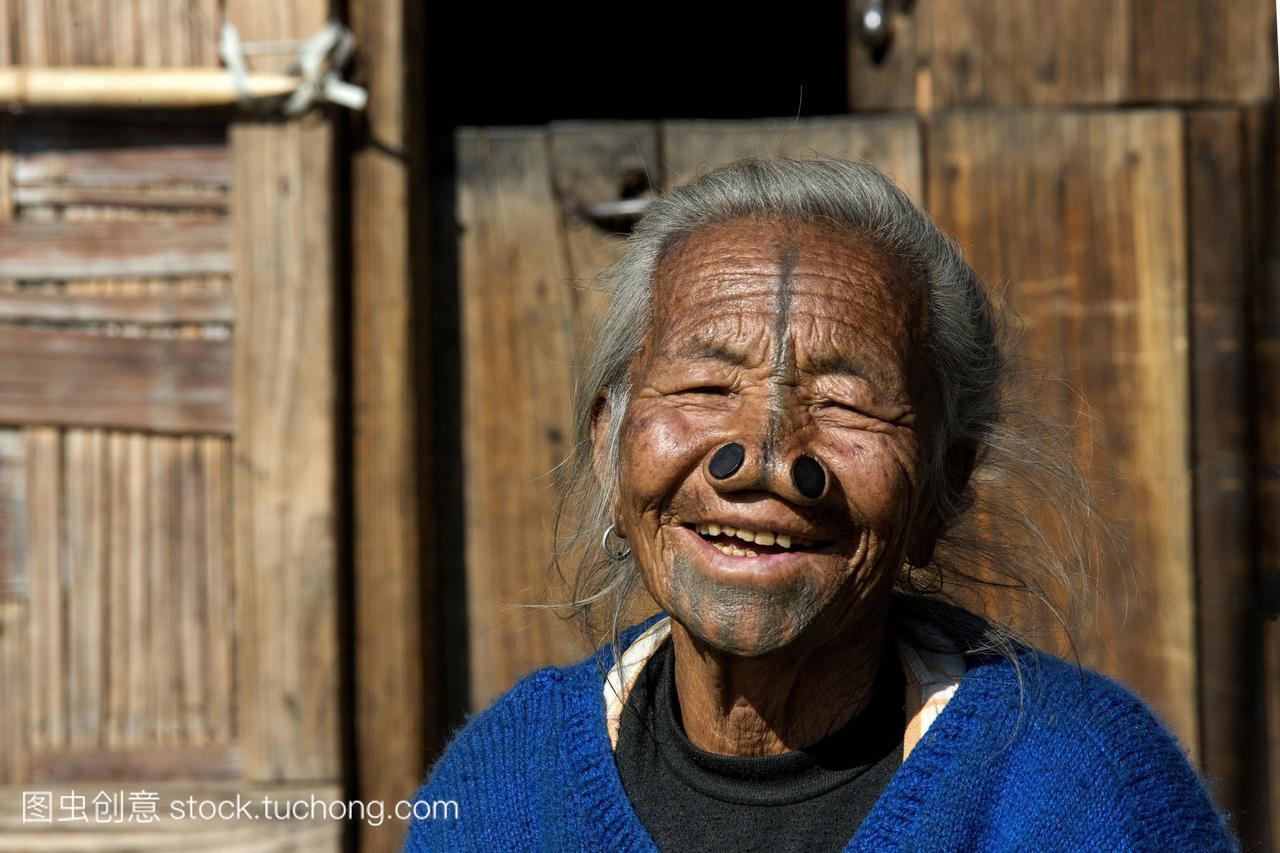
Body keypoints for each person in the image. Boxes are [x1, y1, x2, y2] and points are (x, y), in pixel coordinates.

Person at [401, 158, 1237, 851]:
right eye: (703, 385)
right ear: (608, 448)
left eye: (845, 402)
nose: (764, 460)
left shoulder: (1082, 788)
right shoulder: (500, 794)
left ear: (945, 482)